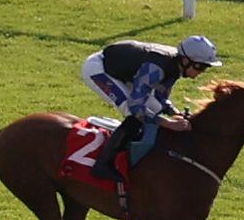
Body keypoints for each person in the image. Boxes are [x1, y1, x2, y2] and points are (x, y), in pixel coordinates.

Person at [79, 26, 215, 171]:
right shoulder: (156, 68)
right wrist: (168, 123)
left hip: (124, 71)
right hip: (99, 69)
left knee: (154, 108)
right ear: (186, 61)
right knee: (132, 113)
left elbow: (160, 98)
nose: (201, 72)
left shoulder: (176, 65)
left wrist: (175, 112)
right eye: (200, 67)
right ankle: (103, 164)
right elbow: (135, 107)